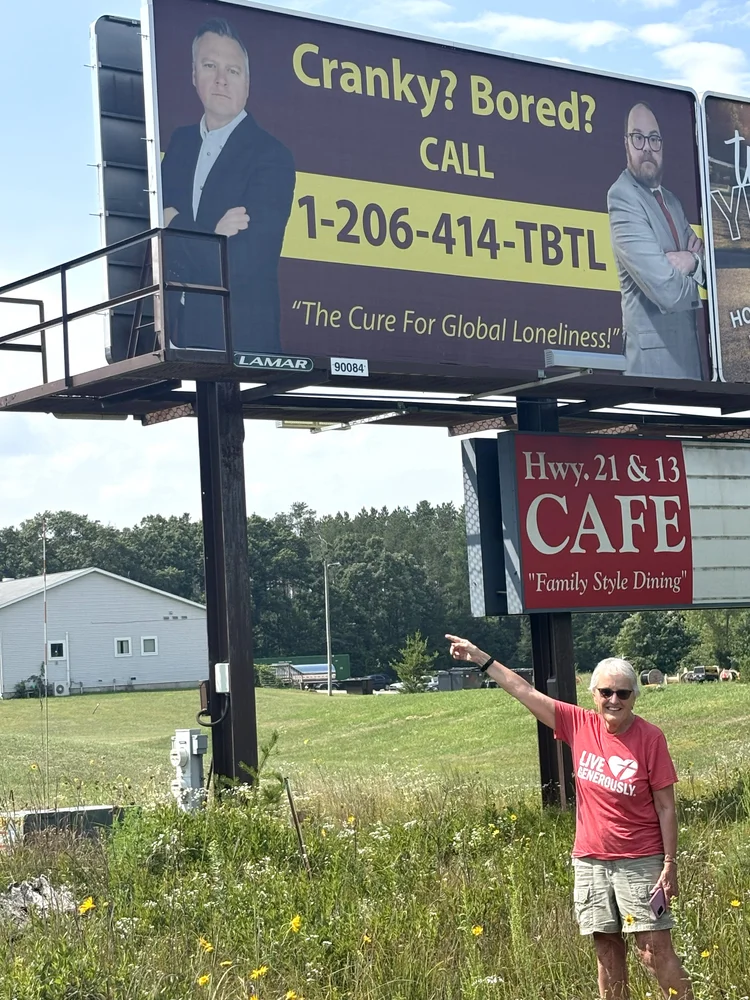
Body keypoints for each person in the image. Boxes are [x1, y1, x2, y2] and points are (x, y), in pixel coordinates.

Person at [445, 633, 693, 1000]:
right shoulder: (578, 724)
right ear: (593, 695)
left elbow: (666, 806)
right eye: (606, 692)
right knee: (607, 954)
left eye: (623, 693)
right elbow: (524, 692)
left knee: (652, 952)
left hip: (640, 861)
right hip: (590, 861)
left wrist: (669, 865)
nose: (614, 700)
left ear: (634, 697)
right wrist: (481, 658)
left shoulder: (650, 738)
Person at [160, 17, 295, 353]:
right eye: (210, 66)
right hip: (175, 334)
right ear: (194, 75)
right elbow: (152, 244)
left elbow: (243, 263)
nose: (221, 80)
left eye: (232, 71)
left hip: (242, 344)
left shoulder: (272, 156)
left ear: (247, 82)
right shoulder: (180, 143)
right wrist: (214, 234)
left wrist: (176, 224)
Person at [608, 102, 705, 380]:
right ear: (626, 144)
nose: (647, 147)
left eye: (654, 138)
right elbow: (666, 291)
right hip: (654, 370)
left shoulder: (672, 201)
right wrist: (694, 276)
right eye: (638, 138)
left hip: (690, 363)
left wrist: (691, 262)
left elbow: (711, 271)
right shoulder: (622, 197)